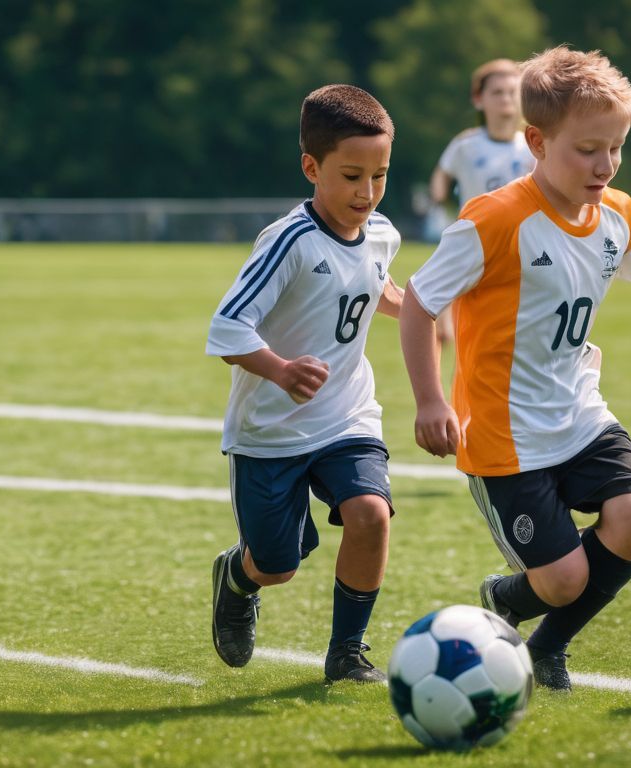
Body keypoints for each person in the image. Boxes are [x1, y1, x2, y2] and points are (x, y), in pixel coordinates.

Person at [398, 47, 631, 692]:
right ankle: (510, 595)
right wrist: (431, 400)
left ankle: (547, 647)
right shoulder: (495, 219)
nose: (606, 165)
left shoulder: (616, 213)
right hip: (504, 436)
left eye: (616, 148)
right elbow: (420, 303)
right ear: (536, 142)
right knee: (562, 579)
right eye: (588, 150)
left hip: (579, 413)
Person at [206, 84, 404, 683]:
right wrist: (282, 370)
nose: (366, 194)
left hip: (346, 416)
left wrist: (430, 309)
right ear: (311, 168)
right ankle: (238, 579)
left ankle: (347, 652)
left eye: (380, 175)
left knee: (372, 513)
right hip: (270, 431)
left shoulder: (382, 234)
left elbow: (377, 289)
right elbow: (226, 329)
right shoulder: (288, 241)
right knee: (279, 563)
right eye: (351, 176)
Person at [426, 59, 537, 345]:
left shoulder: (531, 145)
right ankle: (443, 331)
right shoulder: (466, 144)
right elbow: (442, 174)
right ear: (479, 99)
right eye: (497, 92)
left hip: (521, 243)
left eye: (512, 91)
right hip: (474, 238)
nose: (505, 98)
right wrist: (438, 199)